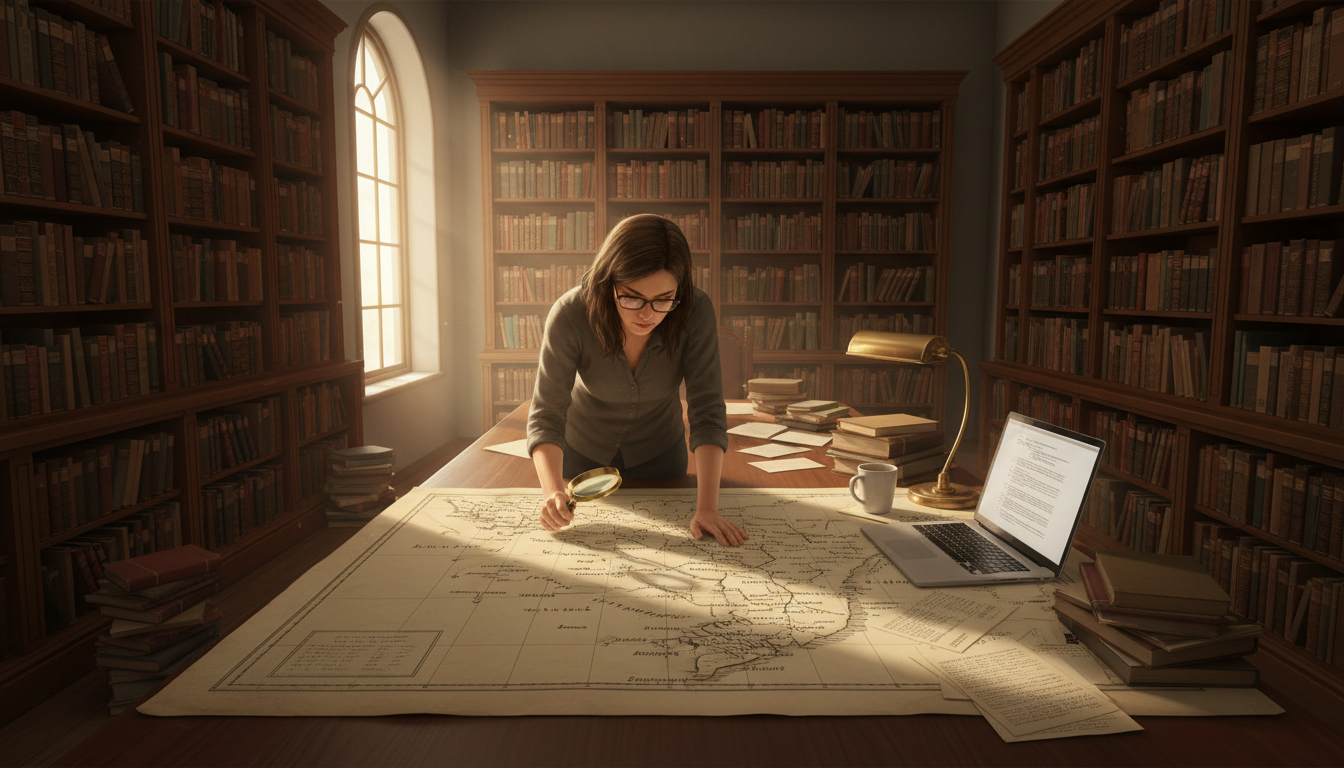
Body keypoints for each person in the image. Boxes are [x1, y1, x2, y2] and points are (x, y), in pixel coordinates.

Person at [526, 214, 747, 547]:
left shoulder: (695, 310)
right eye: (631, 297)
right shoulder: (570, 313)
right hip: (578, 459)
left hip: (661, 458)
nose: (647, 314)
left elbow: (707, 411)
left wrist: (708, 509)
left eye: (663, 299)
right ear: (607, 283)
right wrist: (553, 491)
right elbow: (546, 415)